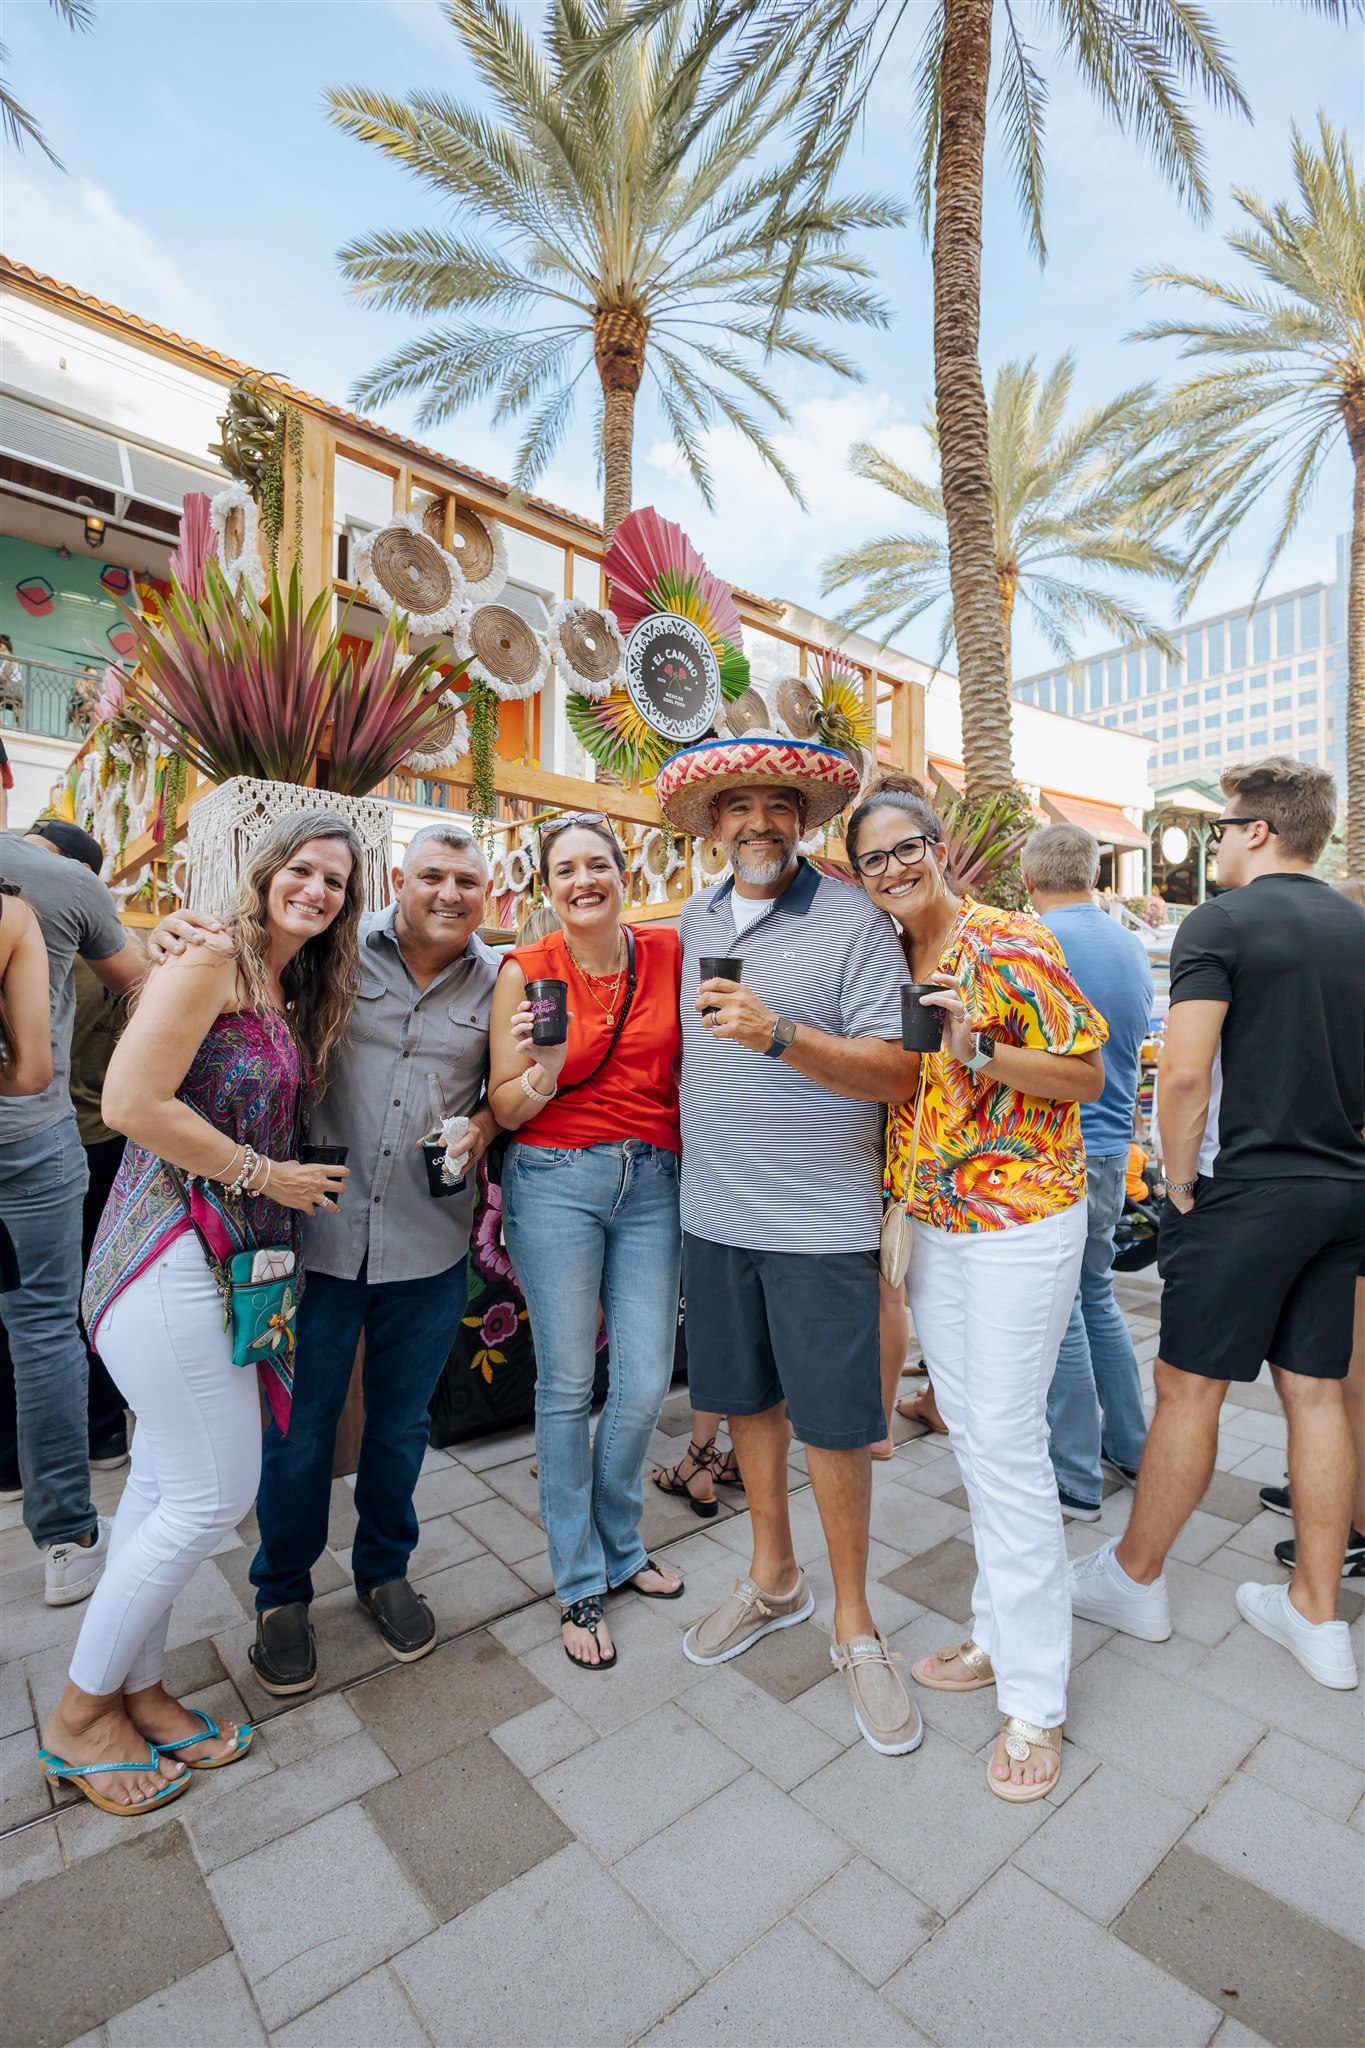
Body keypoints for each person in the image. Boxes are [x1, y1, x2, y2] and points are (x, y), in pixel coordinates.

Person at [39, 812, 361, 1815]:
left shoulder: (282, 978)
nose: (315, 888)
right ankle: (79, 1715)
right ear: (266, 871)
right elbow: (133, 1099)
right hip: (166, 1256)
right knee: (216, 1492)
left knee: (163, 1489)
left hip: (226, 1268)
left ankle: (136, 1686)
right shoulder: (214, 953)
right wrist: (264, 1172)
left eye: (336, 880)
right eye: (302, 868)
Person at [655, 734, 923, 1757]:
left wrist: (779, 1033)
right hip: (717, 1216)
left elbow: (900, 1071)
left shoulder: (854, 919)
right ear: (714, 823)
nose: (758, 821)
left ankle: (856, 1621)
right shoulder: (699, 914)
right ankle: (775, 1577)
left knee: (836, 1427)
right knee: (749, 1403)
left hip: (819, 1224)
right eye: (738, 805)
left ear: (802, 820)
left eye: (778, 805)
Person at [1070, 760, 1365, 1692]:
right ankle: (1318, 1617)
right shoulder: (1356, 924)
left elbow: (1186, 1074)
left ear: (1256, 833)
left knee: (1186, 1387)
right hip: (1344, 1190)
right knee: (1314, 1393)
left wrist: (1179, 1179)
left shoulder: (1220, 922)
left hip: (1250, 1189)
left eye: (1222, 827)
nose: (1213, 845)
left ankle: (1133, 1579)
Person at [849, 774, 1106, 1800]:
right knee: (978, 1430)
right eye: (873, 857)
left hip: (1021, 1221)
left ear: (940, 844)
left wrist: (983, 1049)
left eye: (907, 846)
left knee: (1007, 1442)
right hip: (937, 1227)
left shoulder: (1007, 939)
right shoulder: (889, 954)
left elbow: (1085, 1076)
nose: (893, 868)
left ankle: (1037, 1700)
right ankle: (997, 1633)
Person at [228, 824, 500, 1688]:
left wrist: (484, 1123)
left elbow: (509, 1090)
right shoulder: (336, 949)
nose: (449, 893)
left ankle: (384, 1572)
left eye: (466, 879)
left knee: (400, 1427)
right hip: (318, 1241)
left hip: (427, 1245)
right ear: (396, 879)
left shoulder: (500, 978)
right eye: (431, 875)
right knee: (299, 1431)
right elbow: (248, 967)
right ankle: (281, 1592)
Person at [489, 814, 684, 1670]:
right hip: (555, 1180)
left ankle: (620, 1538)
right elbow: (503, 1108)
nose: (583, 880)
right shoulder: (526, 971)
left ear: (621, 872)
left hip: (653, 1183)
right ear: (546, 887)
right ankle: (578, 1578)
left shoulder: (670, 955)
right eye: (564, 869)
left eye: (597, 863)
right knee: (568, 1384)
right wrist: (544, 1065)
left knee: (642, 1384)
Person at [0, 821, 144, 1604]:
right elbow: (31, 1070)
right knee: (46, 1326)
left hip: (53, 1138)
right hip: (32, 1138)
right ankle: (67, 1537)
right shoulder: (44, 895)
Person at [1022, 823, 1154, 1518]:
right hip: (1112, 1150)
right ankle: (1131, 1449)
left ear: (1028, 881)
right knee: (1095, 1298)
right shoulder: (1129, 944)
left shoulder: (1039, 943)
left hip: (1060, 1150)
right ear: (1094, 876)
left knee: (1062, 1311)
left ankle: (1073, 1473)